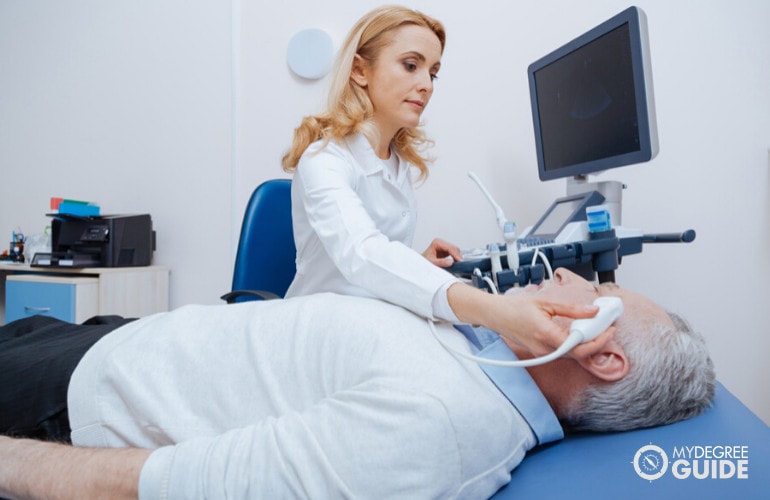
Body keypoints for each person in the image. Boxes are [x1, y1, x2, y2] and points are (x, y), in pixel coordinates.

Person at [0, 268, 715, 499]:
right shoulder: (486, 352)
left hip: (71, 399)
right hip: (126, 340)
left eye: (593, 287)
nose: (564, 276)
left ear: (601, 356)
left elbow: (186, 481)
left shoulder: (439, 424)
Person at [280, 5, 610, 361]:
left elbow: (379, 256)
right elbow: (362, 255)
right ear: (360, 70)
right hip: (318, 334)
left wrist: (414, 261)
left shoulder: (396, 162)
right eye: (411, 65)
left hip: (372, 320)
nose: (425, 85)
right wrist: (495, 311)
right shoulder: (324, 160)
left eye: (433, 73)